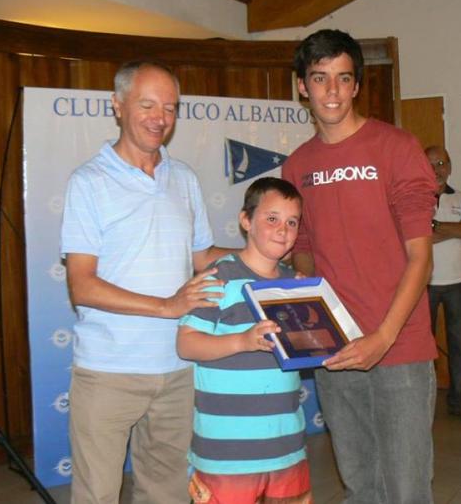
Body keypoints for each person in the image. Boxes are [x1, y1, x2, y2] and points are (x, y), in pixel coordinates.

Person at [61, 60, 228, 503]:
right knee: (96, 496)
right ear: (118, 106)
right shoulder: (88, 182)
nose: (160, 118)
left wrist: (267, 254)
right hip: (108, 371)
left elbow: (202, 257)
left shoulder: (184, 178)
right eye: (148, 105)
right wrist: (167, 306)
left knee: (168, 493)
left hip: (178, 366)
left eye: (170, 108)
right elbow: (82, 285)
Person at [282, 29, 438, 504]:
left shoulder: (397, 147)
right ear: (302, 86)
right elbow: (304, 247)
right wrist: (311, 302)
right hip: (335, 347)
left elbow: (421, 256)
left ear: (356, 85)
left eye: (343, 78)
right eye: (320, 78)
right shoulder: (297, 166)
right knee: (359, 486)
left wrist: (383, 337)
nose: (332, 91)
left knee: (407, 490)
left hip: (399, 344)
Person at [177, 177, 311, 504]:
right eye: (272, 218)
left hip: (286, 446)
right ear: (246, 221)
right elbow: (186, 344)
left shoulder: (294, 286)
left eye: (292, 222)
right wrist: (242, 341)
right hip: (226, 452)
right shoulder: (218, 277)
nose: (283, 230)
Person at [424, 146, 461, 422]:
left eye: (442, 163)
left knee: (460, 346)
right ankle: (424, 404)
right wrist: (451, 229)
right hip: (423, 284)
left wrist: (434, 227)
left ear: (450, 166)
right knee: (423, 348)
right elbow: (417, 235)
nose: (437, 169)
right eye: (430, 163)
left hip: (459, 282)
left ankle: (460, 401)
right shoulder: (413, 199)